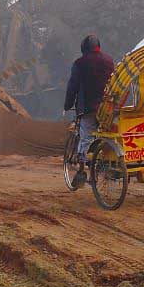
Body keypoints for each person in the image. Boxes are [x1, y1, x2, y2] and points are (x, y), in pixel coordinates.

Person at [63, 35, 116, 188]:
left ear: (84, 48)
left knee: (85, 138)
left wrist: (67, 105)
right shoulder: (109, 60)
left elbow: (73, 86)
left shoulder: (80, 63)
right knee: (108, 135)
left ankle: (81, 171)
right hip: (108, 108)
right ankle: (107, 161)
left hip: (89, 108)